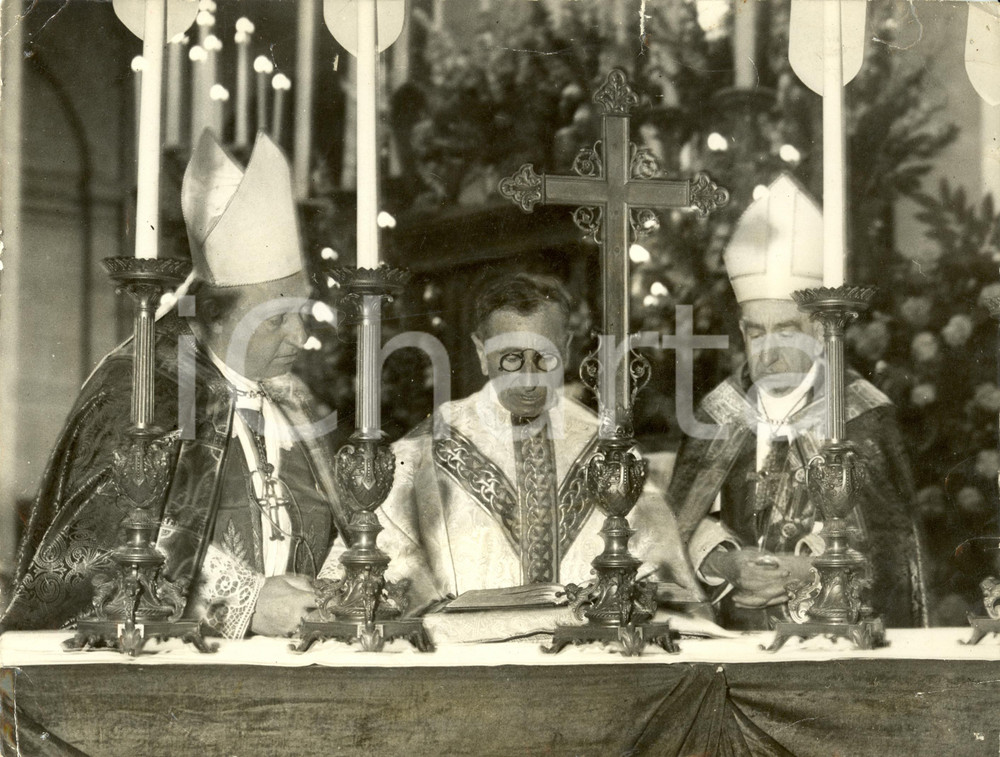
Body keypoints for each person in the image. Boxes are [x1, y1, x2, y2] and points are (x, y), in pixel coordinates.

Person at [1, 132, 347, 638]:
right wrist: (248, 603)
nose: (300, 335)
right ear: (213, 316)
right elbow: (106, 536)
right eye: (276, 320)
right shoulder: (140, 390)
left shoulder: (292, 397)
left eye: (301, 312)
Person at [324, 273, 703, 614]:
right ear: (480, 352)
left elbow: (663, 573)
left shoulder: (608, 447)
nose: (528, 379)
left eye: (544, 358)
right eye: (509, 359)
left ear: (566, 347)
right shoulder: (428, 447)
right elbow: (379, 558)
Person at [668, 174, 927, 630]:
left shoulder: (861, 415)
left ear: (820, 331)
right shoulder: (720, 412)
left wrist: (810, 570)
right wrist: (726, 560)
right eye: (756, 331)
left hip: (829, 641)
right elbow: (677, 527)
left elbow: (893, 553)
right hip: (728, 637)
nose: (769, 349)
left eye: (786, 329)